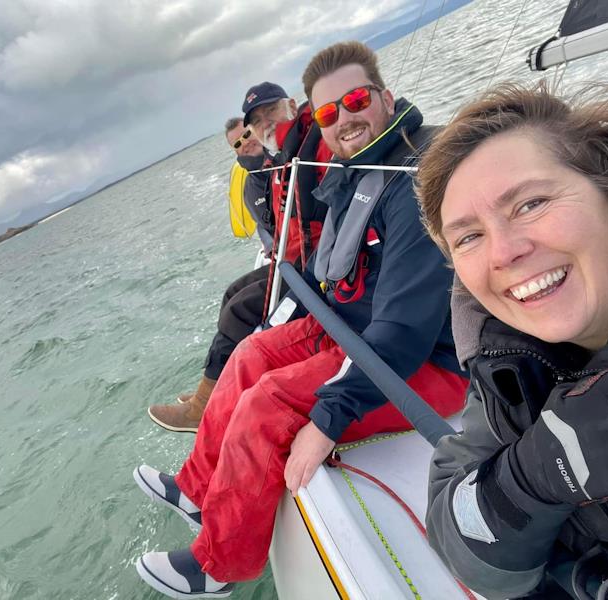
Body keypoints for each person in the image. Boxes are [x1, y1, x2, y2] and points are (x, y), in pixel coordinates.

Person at [133, 41, 468, 598]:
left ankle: (221, 564)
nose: (344, 119)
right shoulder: (353, 172)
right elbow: (326, 272)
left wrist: (329, 417)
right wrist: (279, 327)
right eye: (329, 113)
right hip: (351, 329)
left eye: (356, 99)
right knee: (250, 354)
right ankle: (198, 491)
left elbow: (404, 334)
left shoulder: (409, 181)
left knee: (270, 401)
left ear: (384, 97)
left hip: (419, 364)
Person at [417, 81, 608, 598]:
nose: (504, 252)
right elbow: (456, 533)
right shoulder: (512, 360)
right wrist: (540, 470)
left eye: (531, 203)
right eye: (470, 236)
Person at [146, 83, 331, 433]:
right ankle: (209, 393)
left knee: (241, 311)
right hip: (294, 263)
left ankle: (205, 405)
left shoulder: (299, 153)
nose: (259, 131)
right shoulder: (268, 169)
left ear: (292, 106)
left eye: (270, 114)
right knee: (233, 293)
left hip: (310, 269)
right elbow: (278, 229)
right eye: (255, 123)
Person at [224, 117, 275, 253]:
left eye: (246, 135)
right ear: (235, 151)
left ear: (256, 129)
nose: (245, 143)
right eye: (237, 144)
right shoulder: (249, 190)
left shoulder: (288, 154)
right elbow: (266, 227)